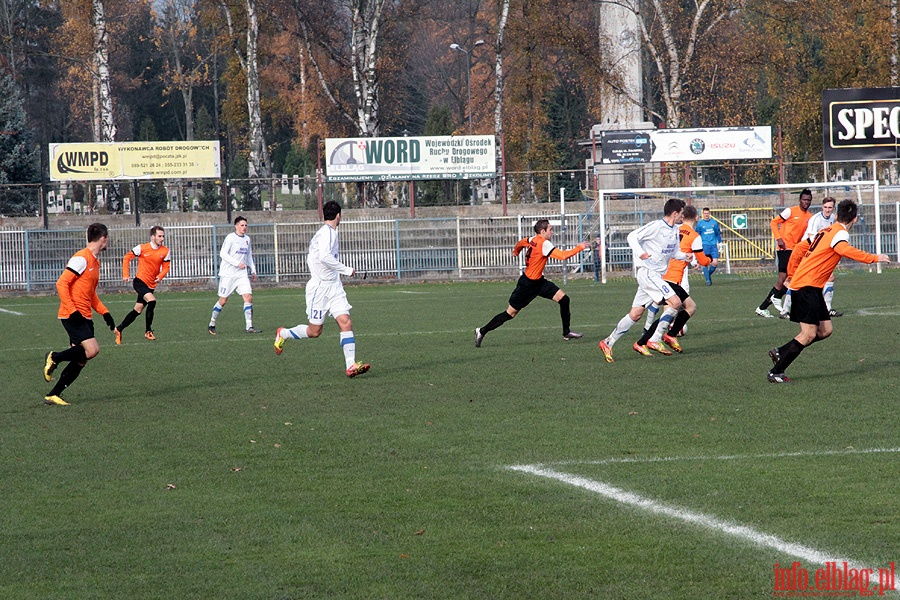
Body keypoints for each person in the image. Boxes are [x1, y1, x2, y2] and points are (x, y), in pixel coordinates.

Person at [767, 199, 889, 383]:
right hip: (806, 287)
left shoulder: (825, 231)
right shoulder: (840, 234)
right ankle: (776, 371)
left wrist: (792, 273)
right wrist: (874, 258)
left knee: (825, 330)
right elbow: (843, 249)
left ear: (837, 215)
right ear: (854, 219)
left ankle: (781, 351)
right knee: (808, 334)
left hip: (812, 286)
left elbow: (799, 248)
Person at [274, 201, 370, 377]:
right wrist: (346, 270)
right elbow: (324, 257)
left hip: (334, 285)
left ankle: (351, 365)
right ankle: (284, 333)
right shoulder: (327, 234)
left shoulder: (329, 232)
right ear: (339, 216)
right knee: (314, 331)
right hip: (319, 288)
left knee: (345, 322)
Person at [474, 219, 591, 347]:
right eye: (550, 229)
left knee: (564, 299)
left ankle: (566, 332)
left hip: (539, 282)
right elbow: (563, 256)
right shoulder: (544, 243)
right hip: (527, 285)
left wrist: (516, 251)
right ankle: (482, 331)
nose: (552, 232)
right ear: (542, 231)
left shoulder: (532, 239)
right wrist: (580, 247)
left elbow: (521, 242)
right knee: (510, 314)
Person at [598, 198, 689, 363]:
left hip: (655, 276)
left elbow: (674, 252)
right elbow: (632, 236)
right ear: (675, 213)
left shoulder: (675, 230)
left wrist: (687, 257)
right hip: (648, 273)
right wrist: (640, 252)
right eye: (681, 214)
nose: (683, 217)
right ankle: (654, 339)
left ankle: (607, 342)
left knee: (636, 314)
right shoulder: (656, 226)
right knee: (676, 303)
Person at [42, 223, 116, 406]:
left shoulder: (94, 261)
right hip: (72, 314)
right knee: (92, 350)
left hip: (85, 315)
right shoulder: (81, 258)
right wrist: (73, 310)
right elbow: (61, 284)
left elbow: (90, 294)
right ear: (103, 238)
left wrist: (104, 313)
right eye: (108, 238)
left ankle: (54, 394)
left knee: (81, 359)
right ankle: (54, 357)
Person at [634, 204, 716, 356]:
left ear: (682, 217)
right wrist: (711, 259)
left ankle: (659, 337)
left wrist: (689, 260)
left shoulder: (674, 229)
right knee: (673, 311)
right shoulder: (694, 236)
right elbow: (703, 261)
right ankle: (650, 340)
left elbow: (677, 251)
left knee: (684, 307)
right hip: (673, 277)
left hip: (663, 273)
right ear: (696, 217)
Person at [779, 197, 840, 318]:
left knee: (829, 277)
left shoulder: (833, 218)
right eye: (825, 207)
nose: (827, 210)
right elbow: (812, 240)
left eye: (830, 208)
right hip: (804, 252)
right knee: (797, 279)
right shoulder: (815, 219)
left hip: (816, 253)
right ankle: (785, 310)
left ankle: (827, 309)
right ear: (822, 207)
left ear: (833, 208)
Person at [755, 188, 812, 318]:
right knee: (788, 279)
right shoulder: (790, 211)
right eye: (804, 199)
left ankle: (763, 307)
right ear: (800, 200)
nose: (806, 202)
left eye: (808, 200)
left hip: (797, 251)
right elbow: (774, 222)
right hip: (785, 248)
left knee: (784, 280)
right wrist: (779, 238)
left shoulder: (810, 217)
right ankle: (777, 300)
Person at [115, 225, 171, 343]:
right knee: (152, 301)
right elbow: (127, 257)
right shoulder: (142, 248)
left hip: (151, 285)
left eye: (163, 236)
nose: (162, 239)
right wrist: (126, 274)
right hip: (140, 282)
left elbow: (166, 267)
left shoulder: (165, 251)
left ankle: (119, 329)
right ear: (153, 237)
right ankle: (148, 331)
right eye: (159, 236)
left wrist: (160, 276)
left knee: (137, 310)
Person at [208, 216, 261, 334]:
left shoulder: (247, 239)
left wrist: (253, 270)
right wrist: (237, 263)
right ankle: (212, 323)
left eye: (246, 225)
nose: (244, 227)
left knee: (248, 297)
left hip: (241, 275)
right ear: (236, 226)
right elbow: (223, 254)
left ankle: (249, 326)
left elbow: (248, 256)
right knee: (223, 300)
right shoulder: (230, 238)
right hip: (228, 274)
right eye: (242, 225)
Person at [695, 207, 722, 285]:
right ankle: (708, 281)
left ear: (709, 214)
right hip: (704, 245)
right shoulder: (700, 224)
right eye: (705, 213)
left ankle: (708, 275)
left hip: (713, 245)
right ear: (703, 214)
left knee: (715, 262)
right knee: (705, 263)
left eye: (707, 213)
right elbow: (697, 235)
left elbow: (717, 233)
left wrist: (720, 243)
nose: (706, 215)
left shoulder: (714, 223)